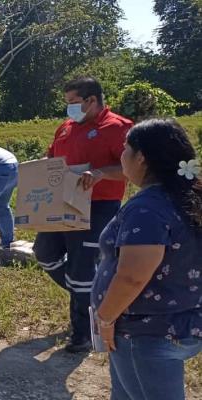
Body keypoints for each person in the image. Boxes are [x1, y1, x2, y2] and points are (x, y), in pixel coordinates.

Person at [91, 119, 201, 399]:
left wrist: (105, 318)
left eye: (125, 149)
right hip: (182, 322)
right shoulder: (189, 197)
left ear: (141, 157)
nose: (121, 156)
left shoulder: (147, 209)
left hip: (146, 332)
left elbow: (132, 276)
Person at [34, 76, 133, 353]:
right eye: (67, 104)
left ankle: (82, 335)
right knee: (44, 253)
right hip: (62, 204)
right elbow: (52, 157)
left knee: (81, 269)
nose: (70, 110)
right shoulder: (66, 127)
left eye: (74, 103)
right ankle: (91, 298)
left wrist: (101, 174)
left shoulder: (118, 128)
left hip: (98, 207)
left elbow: (132, 167)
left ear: (91, 100)